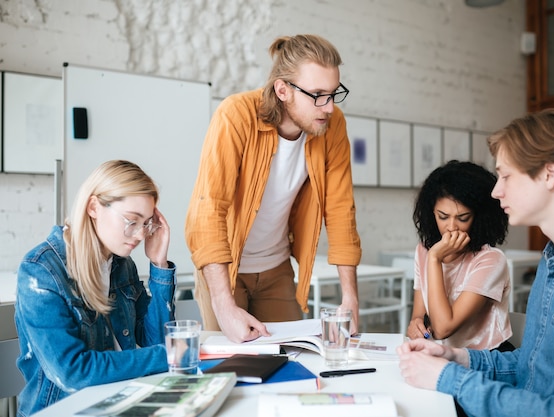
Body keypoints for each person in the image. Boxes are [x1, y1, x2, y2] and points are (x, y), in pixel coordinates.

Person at [397, 108, 554, 417]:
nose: (496, 190)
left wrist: (448, 378)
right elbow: (527, 367)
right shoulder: (553, 259)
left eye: (506, 175)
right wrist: (454, 357)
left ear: (549, 174)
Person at [185, 34, 361, 343]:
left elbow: (340, 208)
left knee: (292, 358)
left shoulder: (332, 126)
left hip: (277, 268)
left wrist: (350, 298)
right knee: (232, 364)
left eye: (334, 94)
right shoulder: (236, 115)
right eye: (318, 94)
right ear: (282, 90)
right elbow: (209, 208)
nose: (329, 107)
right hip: (225, 269)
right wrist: (223, 305)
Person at [14, 160, 176, 416]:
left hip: (120, 400)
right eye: (132, 221)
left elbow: (154, 342)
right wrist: (168, 355)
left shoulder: (122, 264)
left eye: (146, 223)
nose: (140, 235)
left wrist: (159, 264)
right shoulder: (41, 271)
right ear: (93, 207)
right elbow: (72, 371)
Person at [407, 160, 512, 351]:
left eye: (463, 218)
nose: (452, 227)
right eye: (443, 216)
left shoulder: (491, 260)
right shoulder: (423, 250)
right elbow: (419, 316)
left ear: (478, 217)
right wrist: (416, 325)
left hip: (486, 361)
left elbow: (443, 328)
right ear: (432, 214)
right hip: (443, 356)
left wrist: (434, 259)